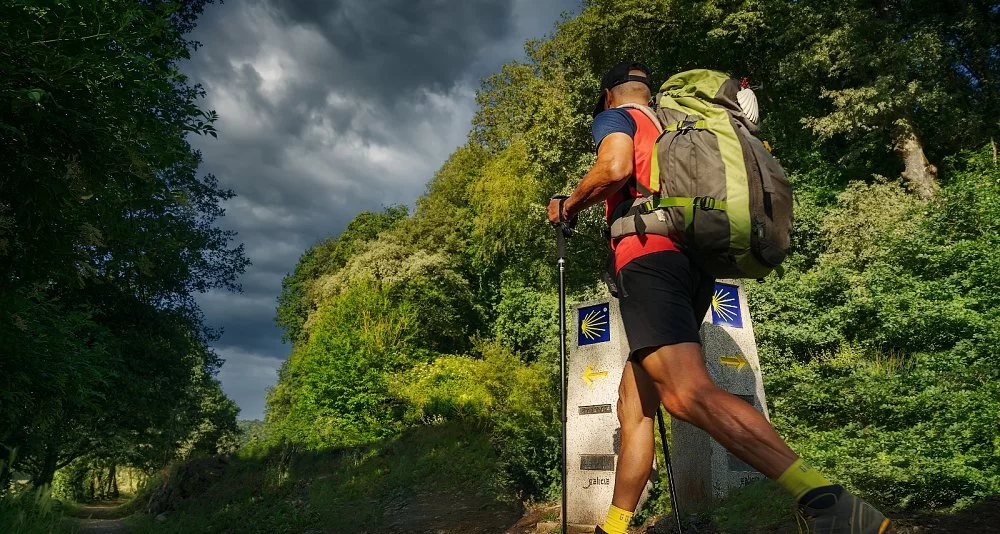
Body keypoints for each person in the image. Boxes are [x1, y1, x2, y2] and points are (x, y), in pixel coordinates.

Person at [546, 61, 892, 534]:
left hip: (648, 258)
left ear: (609, 95)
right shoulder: (679, 122)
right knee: (635, 404)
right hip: (693, 264)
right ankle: (615, 528)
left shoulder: (620, 117)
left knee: (687, 395)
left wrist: (568, 205)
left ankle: (830, 504)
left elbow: (614, 167)